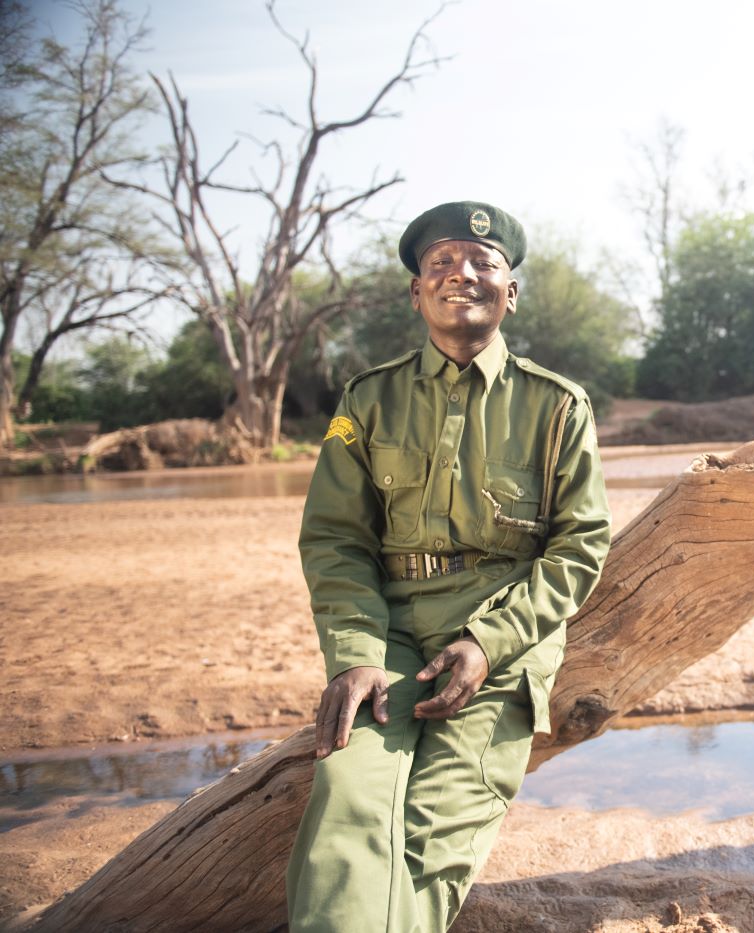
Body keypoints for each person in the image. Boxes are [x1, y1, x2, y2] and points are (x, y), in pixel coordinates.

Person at [286, 200, 611, 932]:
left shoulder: (560, 406)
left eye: (482, 263)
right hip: (389, 634)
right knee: (348, 801)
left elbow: (580, 546)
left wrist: (488, 642)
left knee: (436, 833)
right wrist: (356, 654)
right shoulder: (362, 402)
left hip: (500, 639)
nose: (460, 273)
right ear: (416, 291)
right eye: (440, 263)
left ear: (511, 292)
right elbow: (334, 537)